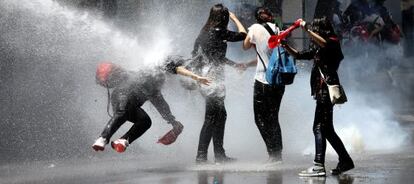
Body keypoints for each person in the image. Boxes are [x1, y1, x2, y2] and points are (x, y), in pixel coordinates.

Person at [282, 17, 354, 177]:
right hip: (321, 90)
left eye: (315, 29)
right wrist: (285, 46)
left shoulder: (332, 42)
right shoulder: (320, 47)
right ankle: (345, 160)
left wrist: (306, 29)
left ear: (321, 29)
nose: (311, 32)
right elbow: (300, 55)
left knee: (319, 127)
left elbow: (324, 43)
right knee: (327, 129)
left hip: (326, 90)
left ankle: (318, 165)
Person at [92, 56, 211, 153]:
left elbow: (160, 104)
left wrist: (172, 121)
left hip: (127, 102)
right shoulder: (156, 69)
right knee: (122, 113)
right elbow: (176, 69)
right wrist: (196, 77)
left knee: (145, 121)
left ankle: (123, 140)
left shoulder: (154, 86)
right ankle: (103, 138)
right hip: (123, 93)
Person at [189, 3, 247, 164]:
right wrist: (235, 19)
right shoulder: (219, 32)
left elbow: (212, 57)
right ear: (224, 18)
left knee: (220, 115)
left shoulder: (203, 34)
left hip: (205, 78)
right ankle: (201, 156)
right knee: (211, 117)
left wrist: (234, 65)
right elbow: (243, 35)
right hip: (213, 80)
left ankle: (219, 154)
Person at [240, 7, 285, 163]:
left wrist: (247, 32)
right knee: (273, 118)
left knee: (259, 118)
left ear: (257, 17)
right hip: (279, 81)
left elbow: (245, 46)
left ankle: (273, 154)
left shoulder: (254, 29)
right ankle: (278, 154)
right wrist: (247, 64)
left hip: (263, 81)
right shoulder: (278, 30)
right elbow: (268, 59)